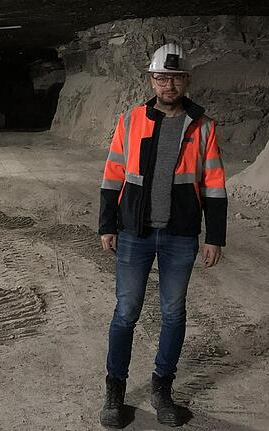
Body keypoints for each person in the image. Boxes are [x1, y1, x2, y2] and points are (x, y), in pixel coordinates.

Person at [97, 43, 227, 428]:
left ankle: (162, 390)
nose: (168, 84)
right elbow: (113, 174)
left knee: (173, 314)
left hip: (180, 235)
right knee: (125, 314)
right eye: (161, 77)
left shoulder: (203, 126)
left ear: (186, 80)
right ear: (152, 80)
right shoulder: (131, 120)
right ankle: (114, 392)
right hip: (134, 232)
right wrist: (107, 224)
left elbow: (215, 184)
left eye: (175, 77)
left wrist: (214, 235)